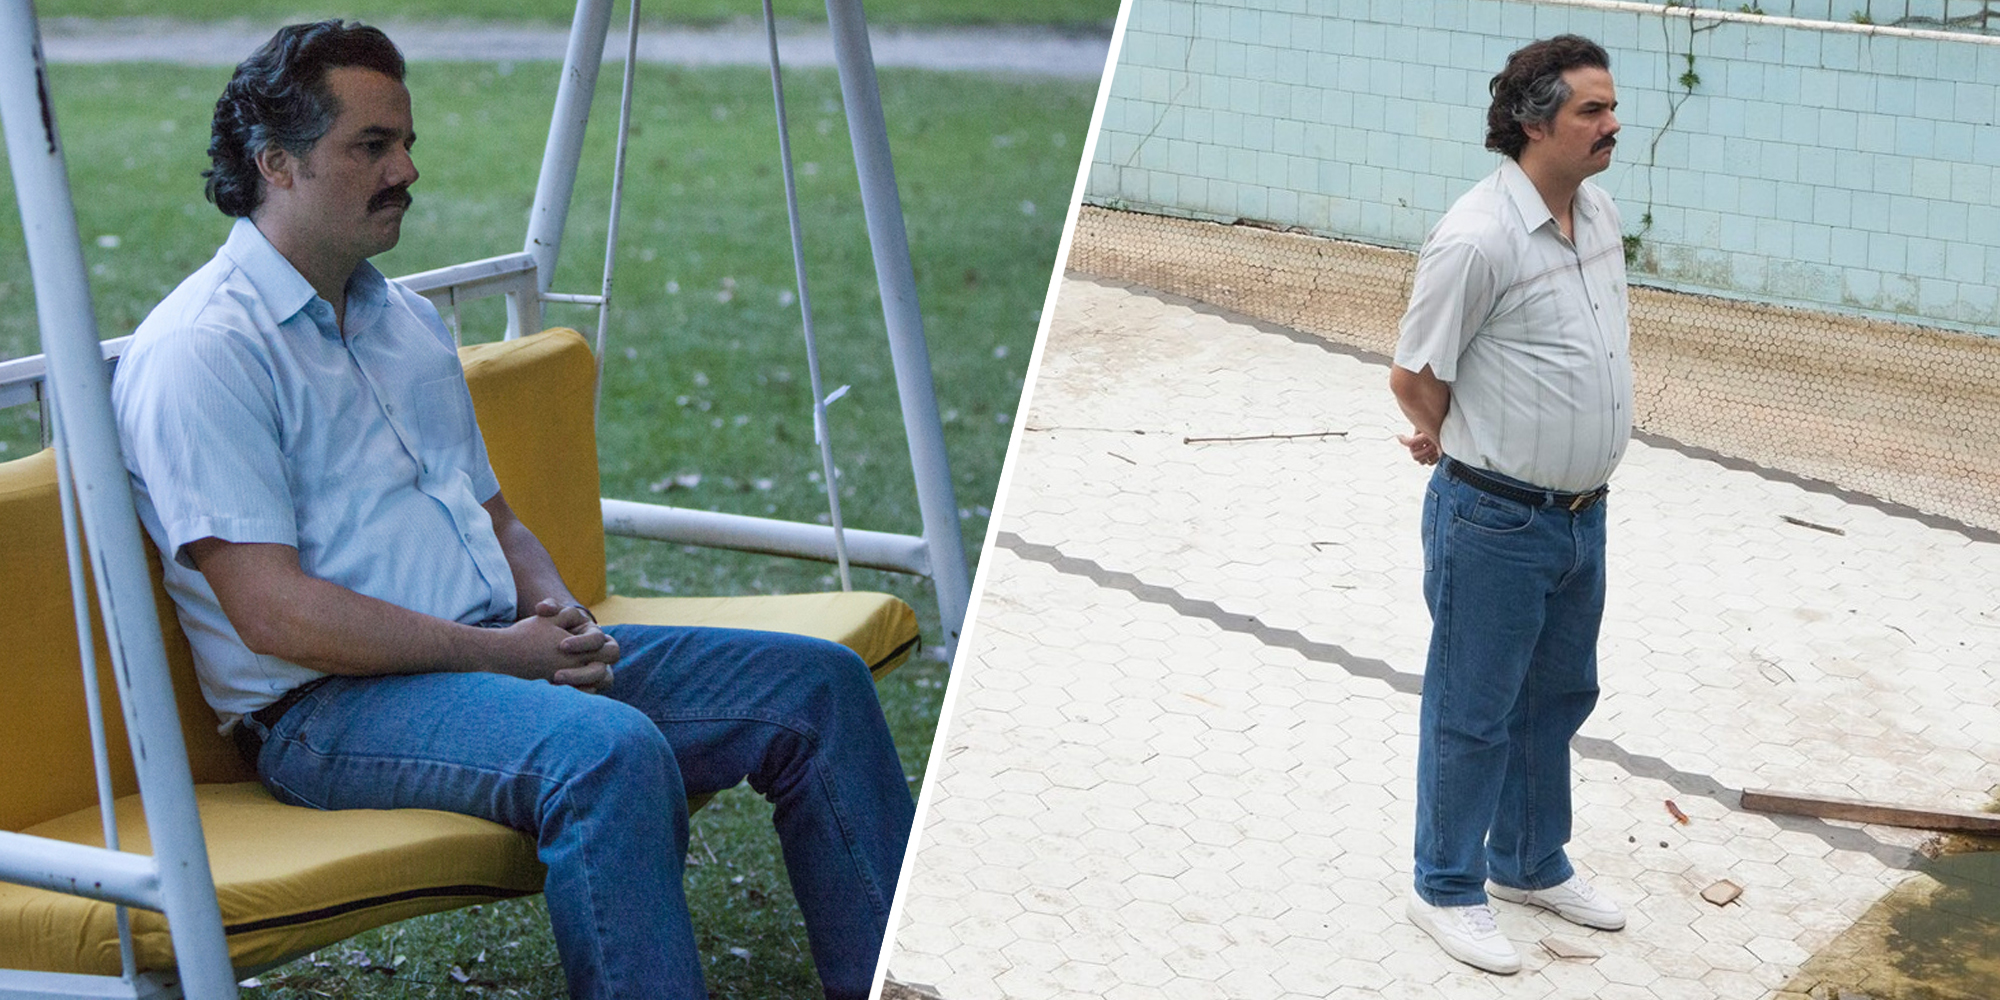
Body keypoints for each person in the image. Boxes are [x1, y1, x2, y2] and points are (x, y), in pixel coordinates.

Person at [110, 21, 913, 1000]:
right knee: (607, 753)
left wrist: (557, 613)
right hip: (325, 708)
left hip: (495, 653)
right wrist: (502, 655)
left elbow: (490, 512)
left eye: (406, 139)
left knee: (816, 687)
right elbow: (274, 612)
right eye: (371, 145)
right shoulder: (205, 349)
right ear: (275, 163)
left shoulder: (397, 316)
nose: (406, 166)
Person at [1388, 34, 1634, 976]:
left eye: (1610, 108)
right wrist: (1457, 438)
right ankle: (1445, 886)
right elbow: (1415, 374)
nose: (1613, 125)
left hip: (1582, 513)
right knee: (1473, 711)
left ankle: (1529, 862)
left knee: (1559, 695)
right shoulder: (1475, 237)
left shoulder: (1599, 211)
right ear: (1536, 123)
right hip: (1493, 519)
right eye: (1592, 111)